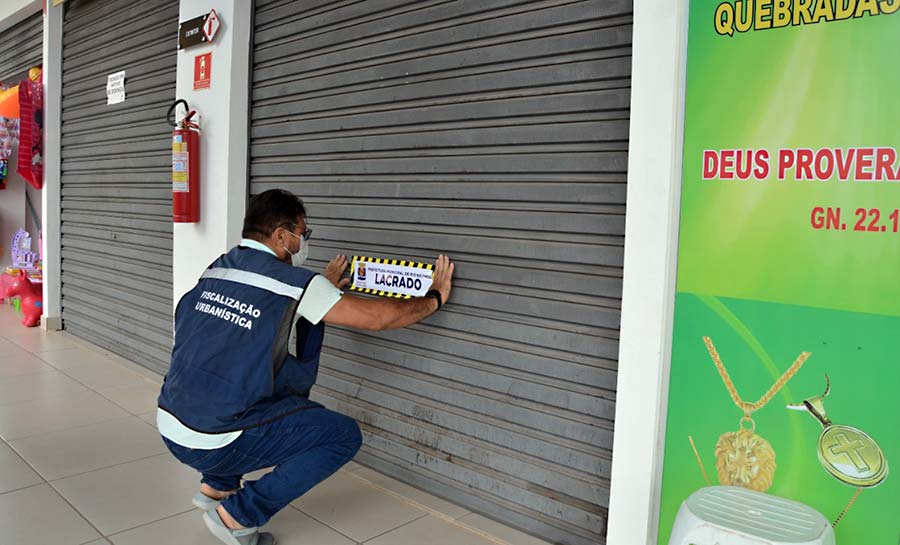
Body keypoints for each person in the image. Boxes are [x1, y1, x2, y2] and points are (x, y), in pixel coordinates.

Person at [157, 189, 454, 545]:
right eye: (303, 233)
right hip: (212, 438)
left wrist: (320, 289)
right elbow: (377, 318)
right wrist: (433, 298)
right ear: (282, 235)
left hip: (170, 419)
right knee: (342, 435)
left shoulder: (219, 268)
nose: (304, 242)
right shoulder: (295, 283)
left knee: (232, 384)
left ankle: (216, 487)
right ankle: (238, 516)